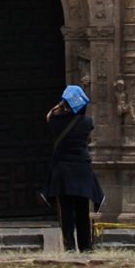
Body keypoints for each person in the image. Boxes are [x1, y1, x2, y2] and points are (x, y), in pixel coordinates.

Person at [43, 84, 105, 254]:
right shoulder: (87, 122)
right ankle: (86, 246)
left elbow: (50, 115)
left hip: (63, 169)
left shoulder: (55, 120)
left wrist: (61, 104)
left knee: (66, 210)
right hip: (82, 169)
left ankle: (69, 244)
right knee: (83, 209)